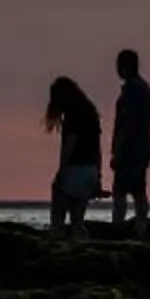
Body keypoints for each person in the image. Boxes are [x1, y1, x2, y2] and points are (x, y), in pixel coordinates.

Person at [44, 76, 103, 231]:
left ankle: (57, 245)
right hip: (91, 170)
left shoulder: (73, 115)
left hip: (75, 168)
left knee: (58, 218)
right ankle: (81, 245)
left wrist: (61, 170)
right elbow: (98, 149)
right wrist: (98, 176)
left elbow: (70, 143)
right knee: (77, 221)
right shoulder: (90, 112)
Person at [110, 47, 150, 233]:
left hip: (131, 149)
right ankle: (140, 228)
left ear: (125, 66)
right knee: (138, 190)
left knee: (122, 192)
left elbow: (127, 124)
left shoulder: (133, 90)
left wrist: (119, 151)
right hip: (140, 147)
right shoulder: (143, 89)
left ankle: (120, 229)